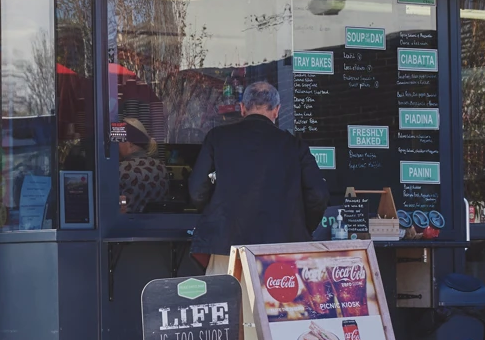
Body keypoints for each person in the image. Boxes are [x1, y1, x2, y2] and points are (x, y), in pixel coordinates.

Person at [187, 81, 329, 274]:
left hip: (226, 248)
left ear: (243, 108)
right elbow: (318, 195)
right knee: (278, 303)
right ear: (277, 110)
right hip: (281, 250)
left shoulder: (218, 138)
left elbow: (197, 191)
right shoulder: (295, 146)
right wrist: (299, 226)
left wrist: (218, 214)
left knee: (229, 303)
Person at [116, 117, 172, 213]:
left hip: (127, 226)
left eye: (120, 141)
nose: (117, 145)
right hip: (158, 224)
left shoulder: (121, 168)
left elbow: (119, 204)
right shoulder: (161, 167)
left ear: (130, 144)